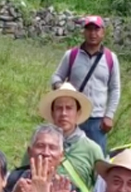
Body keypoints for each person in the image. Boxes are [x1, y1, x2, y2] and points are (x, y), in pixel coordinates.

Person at [50, 15, 120, 152]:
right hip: (74, 117)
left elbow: (115, 88)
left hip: (97, 121)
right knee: (66, 155)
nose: (93, 34)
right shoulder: (71, 55)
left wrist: (109, 116)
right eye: (89, 29)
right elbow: (56, 76)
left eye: (96, 30)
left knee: (96, 160)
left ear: (103, 32)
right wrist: (62, 88)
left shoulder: (111, 58)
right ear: (83, 32)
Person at [36, 83, 105, 192]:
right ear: (52, 113)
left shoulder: (93, 150)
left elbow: (102, 189)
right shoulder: (40, 145)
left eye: (69, 108)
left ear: (77, 113)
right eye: (59, 108)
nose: (63, 113)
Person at [5, 125, 84, 192]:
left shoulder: (68, 190)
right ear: (30, 151)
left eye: (52, 148)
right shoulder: (14, 180)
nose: (46, 153)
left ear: (61, 156)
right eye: (40, 146)